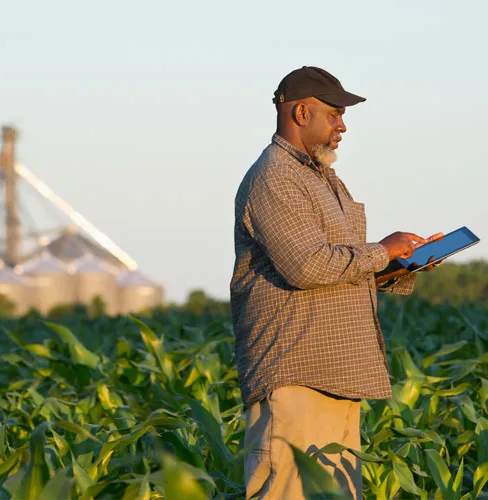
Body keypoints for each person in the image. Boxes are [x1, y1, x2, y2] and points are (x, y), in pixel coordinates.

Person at [230, 66, 440, 499]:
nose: (342, 126)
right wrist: (383, 249)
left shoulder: (322, 178)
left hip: (338, 372)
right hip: (296, 373)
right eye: (334, 114)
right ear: (302, 112)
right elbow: (306, 267)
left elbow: (340, 268)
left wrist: (405, 264)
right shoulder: (275, 177)